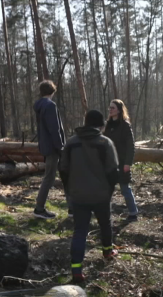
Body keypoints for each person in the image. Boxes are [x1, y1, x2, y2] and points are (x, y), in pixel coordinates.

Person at [60, 110, 120, 283]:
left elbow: (63, 169)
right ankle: (108, 251)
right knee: (105, 223)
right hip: (101, 194)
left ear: (85, 123)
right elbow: (113, 171)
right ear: (101, 125)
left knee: (80, 230)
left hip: (78, 195)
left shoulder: (71, 143)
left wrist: (69, 190)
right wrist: (109, 191)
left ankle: (76, 270)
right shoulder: (105, 142)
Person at [33, 80, 66, 219]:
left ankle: (72, 209)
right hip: (53, 147)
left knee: (61, 176)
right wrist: (61, 147)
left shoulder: (40, 105)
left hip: (46, 145)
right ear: (53, 91)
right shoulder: (50, 106)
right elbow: (54, 129)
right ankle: (39, 209)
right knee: (49, 178)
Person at [104, 99, 138, 222]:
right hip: (109, 163)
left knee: (125, 189)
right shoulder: (108, 125)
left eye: (113, 108)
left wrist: (128, 163)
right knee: (106, 189)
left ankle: (133, 213)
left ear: (119, 110)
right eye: (110, 107)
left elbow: (131, 146)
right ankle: (106, 214)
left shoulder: (125, 125)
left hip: (122, 162)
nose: (110, 110)